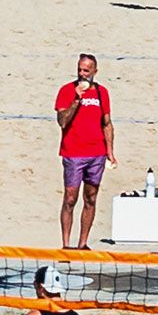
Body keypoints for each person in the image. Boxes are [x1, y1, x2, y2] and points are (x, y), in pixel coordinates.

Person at [54, 54, 112, 249]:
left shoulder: (102, 93)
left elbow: (107, 123)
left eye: (86, 70)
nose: (82, 74)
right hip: (73, 153)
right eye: (80, 69)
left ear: (95, 71)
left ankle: (83, 243)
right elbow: (62, 121)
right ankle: (66, 243)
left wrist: (110, 151)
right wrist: (76, 100)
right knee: (70, 197)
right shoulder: (67, 91)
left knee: (91, 197)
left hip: (97, 152)